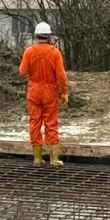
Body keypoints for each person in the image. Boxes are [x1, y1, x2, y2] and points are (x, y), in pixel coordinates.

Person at [18, 21, 69, 167]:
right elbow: (61, 75)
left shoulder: (29, 51)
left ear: (36, 35)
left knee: (35, 123)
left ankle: (37, 159)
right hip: (50, 92)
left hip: (33, 91)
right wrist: (64, 92)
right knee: (51, 123)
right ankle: (54, 159)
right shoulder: (55, 52)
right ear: (48, 36)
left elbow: (22, 72)